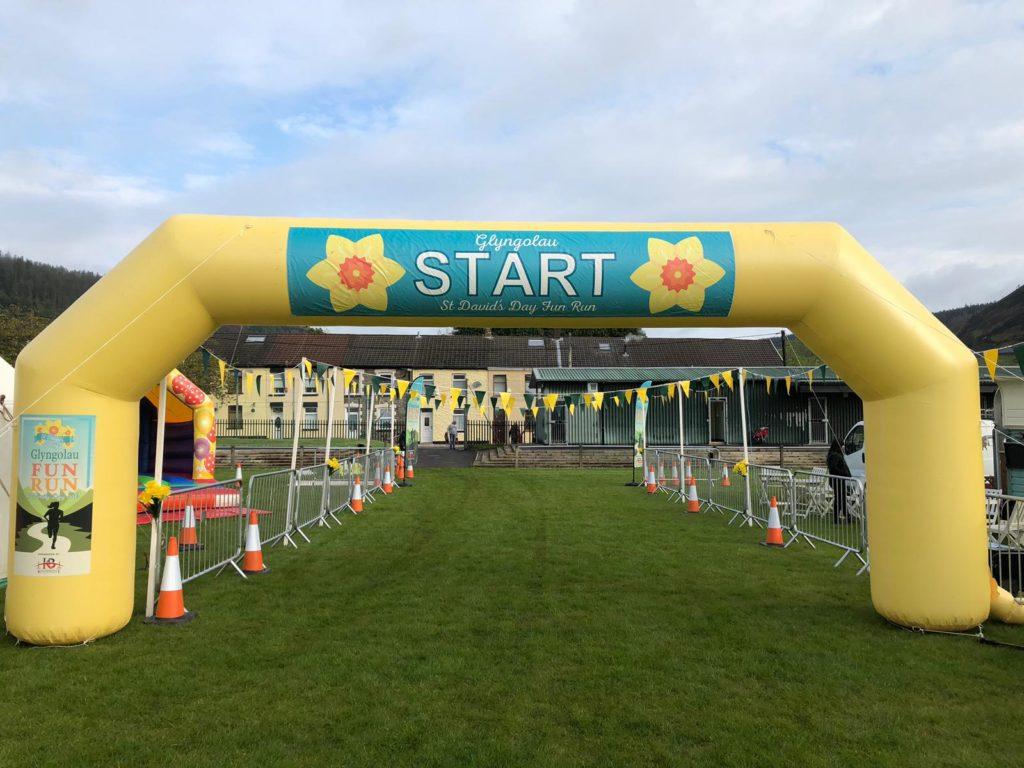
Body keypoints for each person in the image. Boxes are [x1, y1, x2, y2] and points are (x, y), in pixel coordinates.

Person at [826, 439, 852, 523]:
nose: (843, 448)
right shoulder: (834, 456)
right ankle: (839, 518)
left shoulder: (835, 455)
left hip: (838, 480)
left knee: (841, 499)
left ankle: (846, 516)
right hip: (837, 480)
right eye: (841, 446)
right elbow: (834, 468)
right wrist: (843, 473)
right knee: (839, 499)